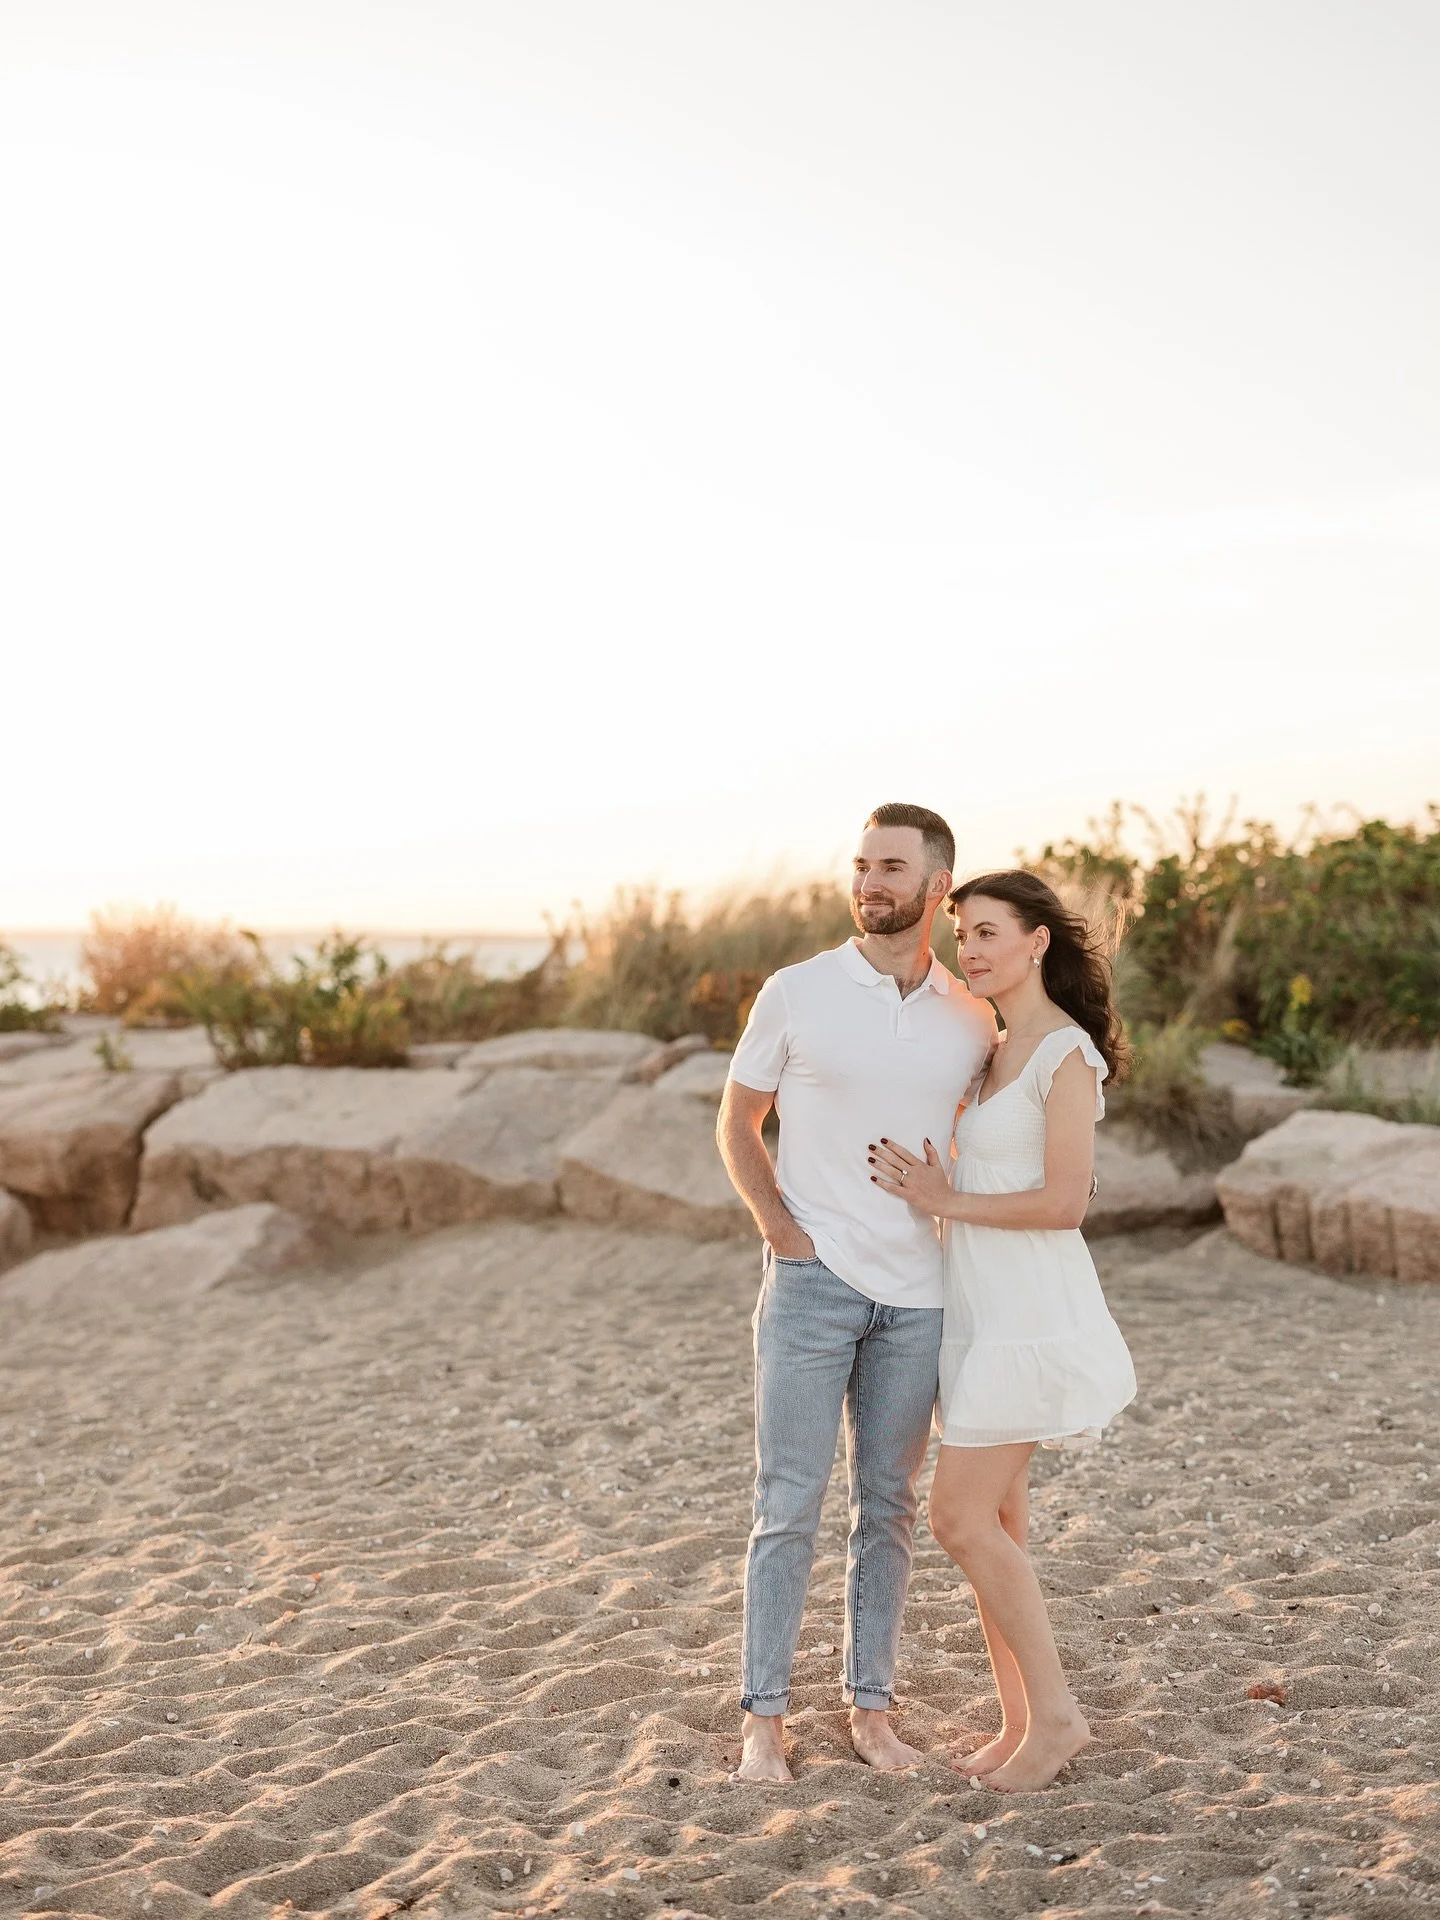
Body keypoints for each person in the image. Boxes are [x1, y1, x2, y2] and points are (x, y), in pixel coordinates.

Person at [717, 804, 997, 1784]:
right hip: (812, 1284)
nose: (870, 882)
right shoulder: (797, 990)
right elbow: (738, 1122)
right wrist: (782, 1233)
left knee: (888, 1509)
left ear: (936, 887)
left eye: (891, 868)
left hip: (919, 1295)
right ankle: (763, 1723)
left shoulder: (972, 1017)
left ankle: (870, 1713)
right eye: (862, 864)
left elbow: (990, 1135)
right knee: (787, 1504)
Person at [869, 869, 1136, 1792]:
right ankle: (1020, 1722)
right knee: (1003, 1520)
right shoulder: (990, 1048)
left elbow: (1065, 1203)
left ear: (1037, 941)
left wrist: (943, 1198)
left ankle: (1057, 1720)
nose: (971, 950)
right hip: (978, 1307)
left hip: (1030, 1311)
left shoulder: (1065, 1055)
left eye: (989, 932)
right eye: (964, 935)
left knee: (957, 1516)